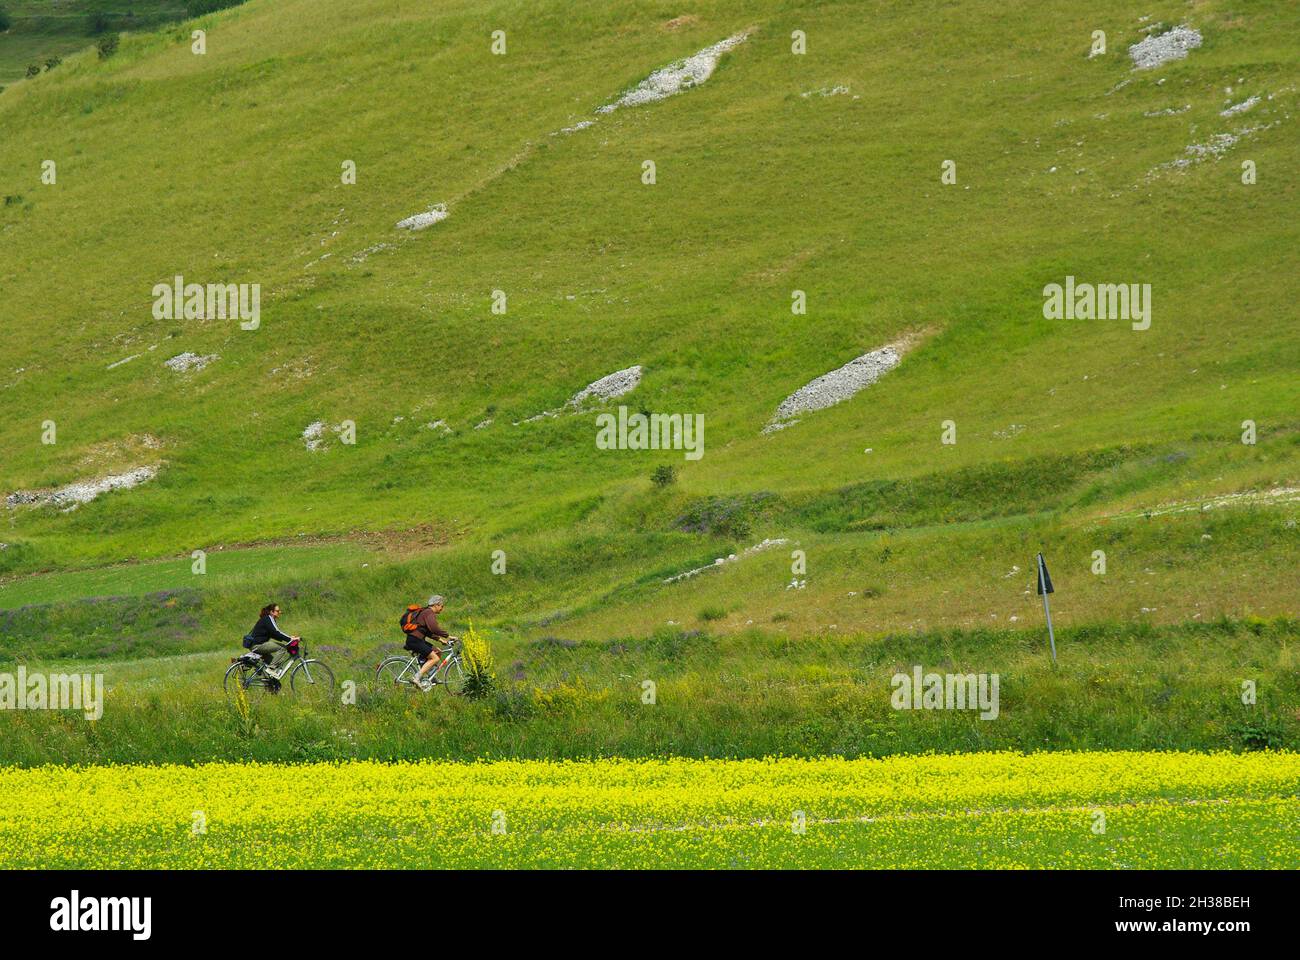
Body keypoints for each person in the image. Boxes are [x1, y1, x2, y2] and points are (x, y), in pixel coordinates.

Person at [404, 595, 454, 690]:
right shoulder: (429, 613)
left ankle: (432, 677)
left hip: (415, 639)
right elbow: (434, 629)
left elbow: (427, 631)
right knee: (434, 658)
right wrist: (448, 636)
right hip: (415, 640)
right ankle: (416, 678)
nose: (442, 608)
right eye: (442, 606)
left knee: (437, 652)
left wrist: (440, 640)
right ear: (436, 605)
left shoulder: (425, 612)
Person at [246, 602, 300, 672]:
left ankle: (268, 679)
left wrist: (290, 638)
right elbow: (276, 632)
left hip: (256, 645)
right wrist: (290, 639)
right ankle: (270, 669)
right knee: (282, 648)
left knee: (275, 665)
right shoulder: (269, 618)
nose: (279, 612)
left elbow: (273, 634)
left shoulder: (267, 619)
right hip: (258, 645)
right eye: (277, 611)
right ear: (272, 612)